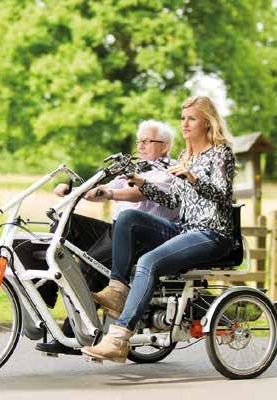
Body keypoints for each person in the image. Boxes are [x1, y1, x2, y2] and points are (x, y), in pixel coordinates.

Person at [81, 95, 236, 363]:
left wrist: (193, 178)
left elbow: (223, 196)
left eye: (192, 118)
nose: (185, 124)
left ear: (207, 122)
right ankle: (117, 290)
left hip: (212, 233)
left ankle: (118, 340)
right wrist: (142, 182)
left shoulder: (220, 153)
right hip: (184, 229)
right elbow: (174, 200)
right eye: (183, 118)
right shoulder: (186, 156)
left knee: (148, 261)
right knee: (128, 218)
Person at [35, 120, 180, 355]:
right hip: (118, 231)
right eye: (139, 141)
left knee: (91, 262)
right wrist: (73, 192)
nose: (140, 146)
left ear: (164, 146)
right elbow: (101, 191)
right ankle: (48, 288)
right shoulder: (134, 169)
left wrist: (111, 193)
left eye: (147, 141)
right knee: (67, 225)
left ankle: (75, 335)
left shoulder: (169, 171)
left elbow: (137, 193)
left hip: (144, 238)